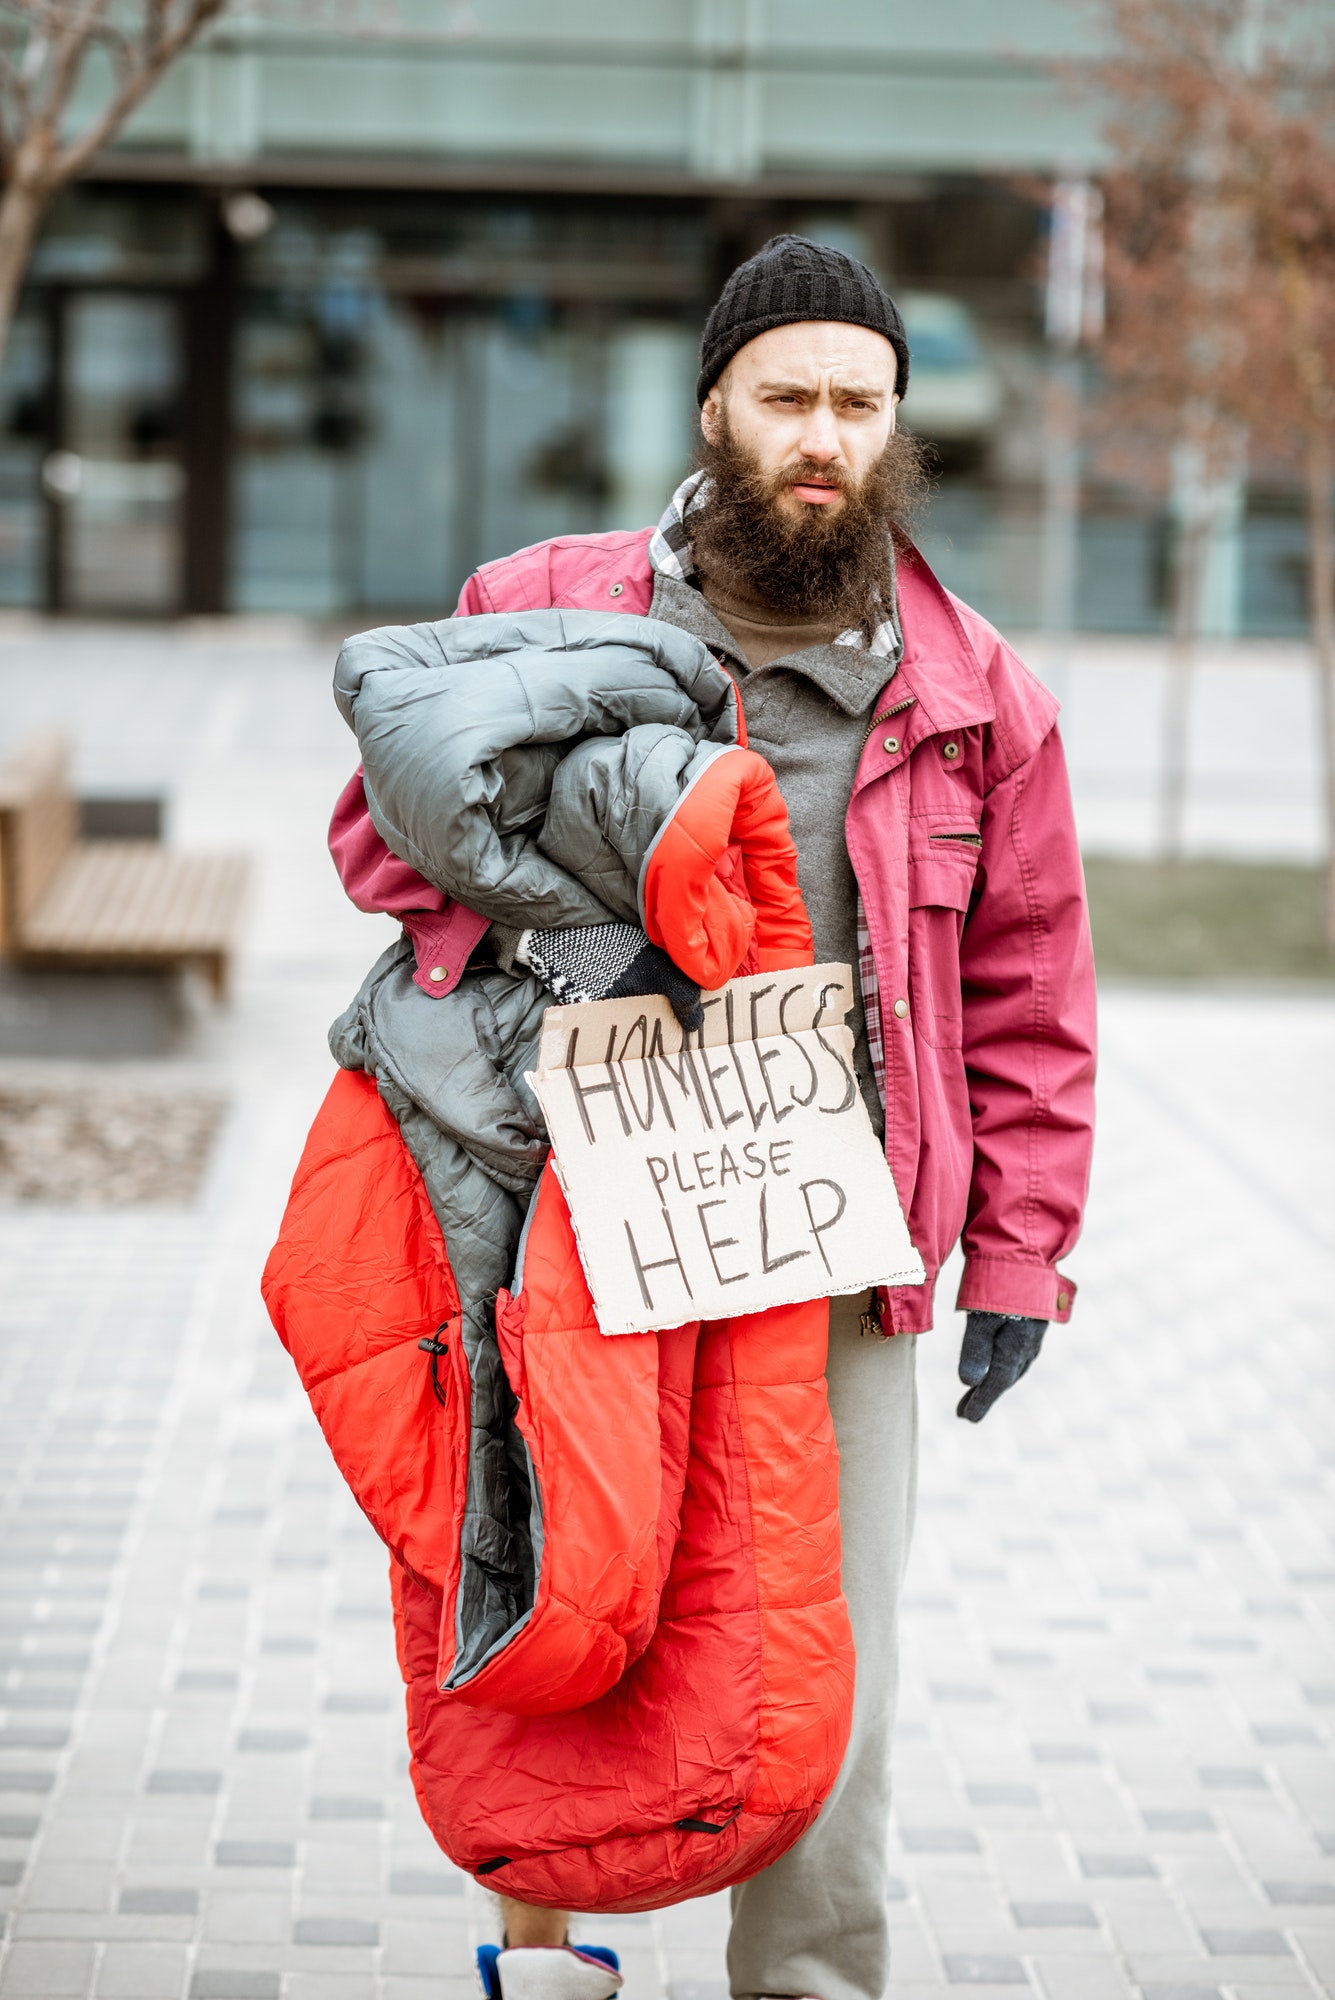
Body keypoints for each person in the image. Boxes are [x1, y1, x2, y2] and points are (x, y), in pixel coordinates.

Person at [331, 232, 1097, 2000]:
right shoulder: (543, 603)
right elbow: (379, 850)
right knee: (561, 1617)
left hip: (833, 1259)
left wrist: (1022, 1262)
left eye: (858, 403)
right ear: (714, 409)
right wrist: (563, 886)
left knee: (827, 1682)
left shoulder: (980, 697)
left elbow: (1032, 1000)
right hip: (570, 1237)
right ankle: (553, 1970)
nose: (822, 433)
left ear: (897, 429)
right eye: (788, 397)